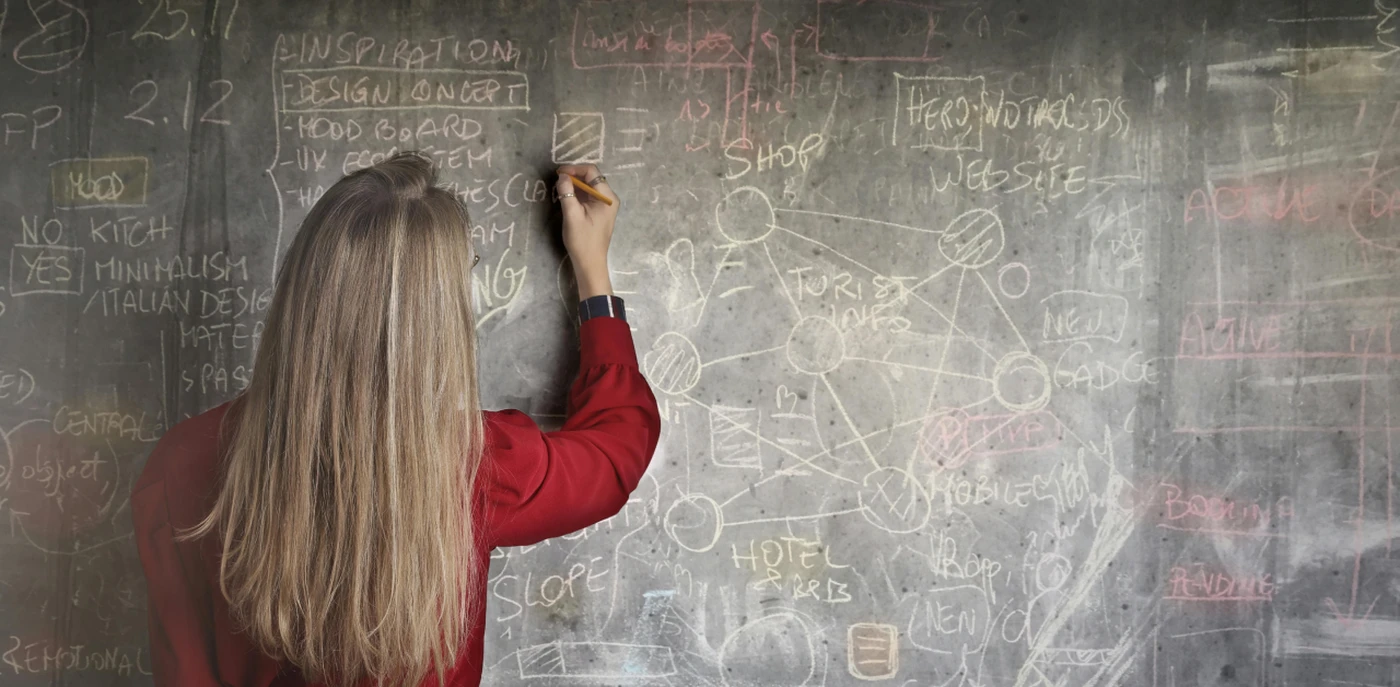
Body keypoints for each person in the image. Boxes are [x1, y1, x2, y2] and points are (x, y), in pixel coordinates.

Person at [130, 153, 661, 687]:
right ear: (438, 316)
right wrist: (593, 271)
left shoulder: (180, 464)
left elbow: (185, 670)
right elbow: (616, 450)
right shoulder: (472, 465)